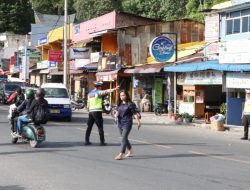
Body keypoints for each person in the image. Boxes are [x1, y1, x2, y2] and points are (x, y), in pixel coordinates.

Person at [85, 81, 119, 146]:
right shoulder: (98, 92)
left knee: (89, 127)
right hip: (97, 111)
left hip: (91, 112)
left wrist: (88, 111)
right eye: (100, 86)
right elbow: (106, 91)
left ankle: (87, 141)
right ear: (99, 86)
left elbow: (88, 103)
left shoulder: (90, 94)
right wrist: (115, 89)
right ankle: (102, 142)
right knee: (100, 127)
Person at [114, 90, 141, 160]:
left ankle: (121, 154)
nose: (122, 97)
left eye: (123, 95)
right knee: (124, 138)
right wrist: (116, 114)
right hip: (120, 123)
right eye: (120, 95)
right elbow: (117, 111)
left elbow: (134, 114)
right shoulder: (119, 104)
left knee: (123, 138)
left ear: (126, 96)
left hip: (127, 123)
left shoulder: (130, 104)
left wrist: (138, 121)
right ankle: (130, 151)